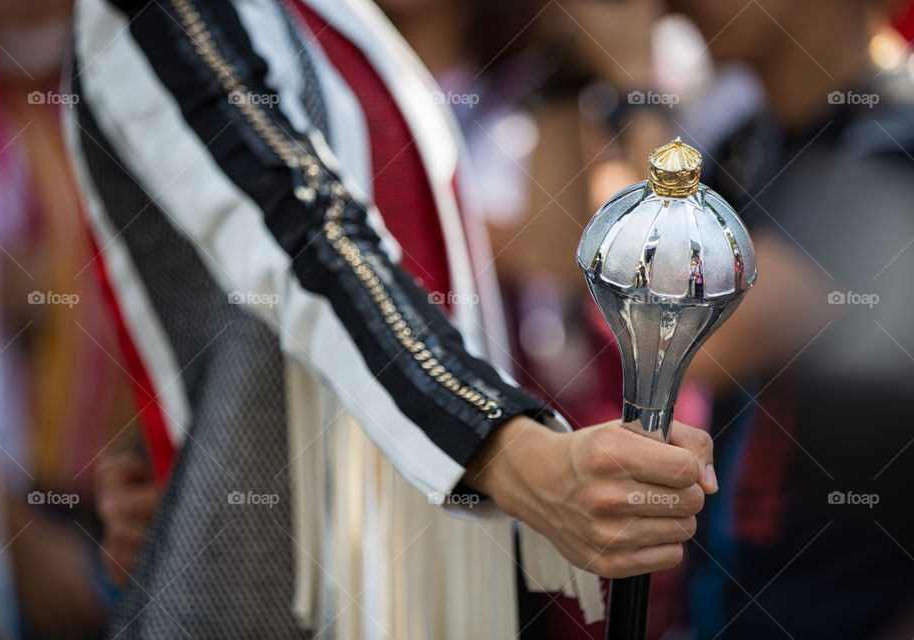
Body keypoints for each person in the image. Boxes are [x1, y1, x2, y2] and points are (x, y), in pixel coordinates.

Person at [69, 0, 718, 637]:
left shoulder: (352, 24)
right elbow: (307, 237)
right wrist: (523, 460)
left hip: (442, 568)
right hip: (272, 583)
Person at [667, 0, 914, 637]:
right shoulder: (748, 137)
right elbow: (551, 265)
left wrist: (632, 96)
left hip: (853, 610)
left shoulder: (899, 132)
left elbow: (703, 341)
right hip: (726, 604)